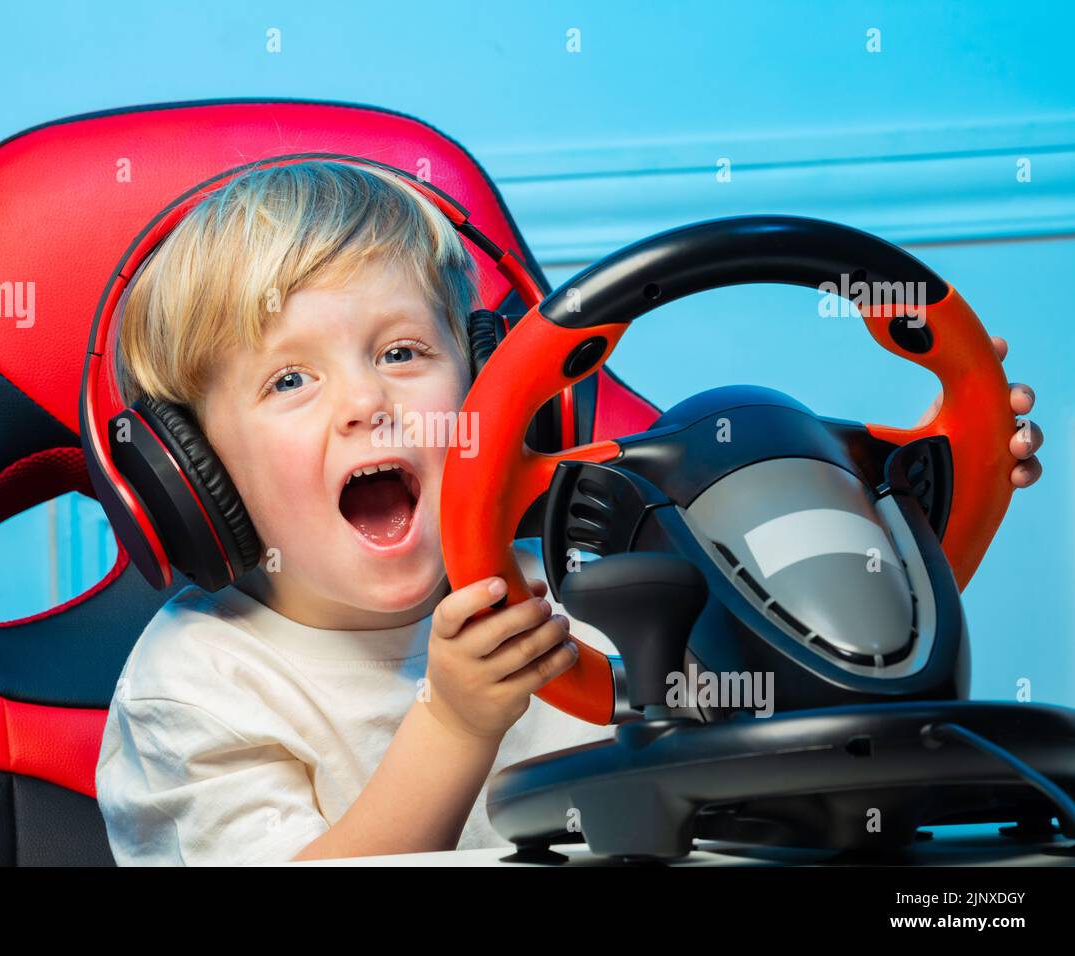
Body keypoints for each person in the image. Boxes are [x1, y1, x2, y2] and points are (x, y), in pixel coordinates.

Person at [94, 160, 1044, 865]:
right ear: (196, 472)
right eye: (291, 378)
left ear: (499, 403)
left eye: (401, 354)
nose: (365, 403)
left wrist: (919, 499)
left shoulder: (597, 585)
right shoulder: (196, 687)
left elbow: (795, 723)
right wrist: (453, 727)